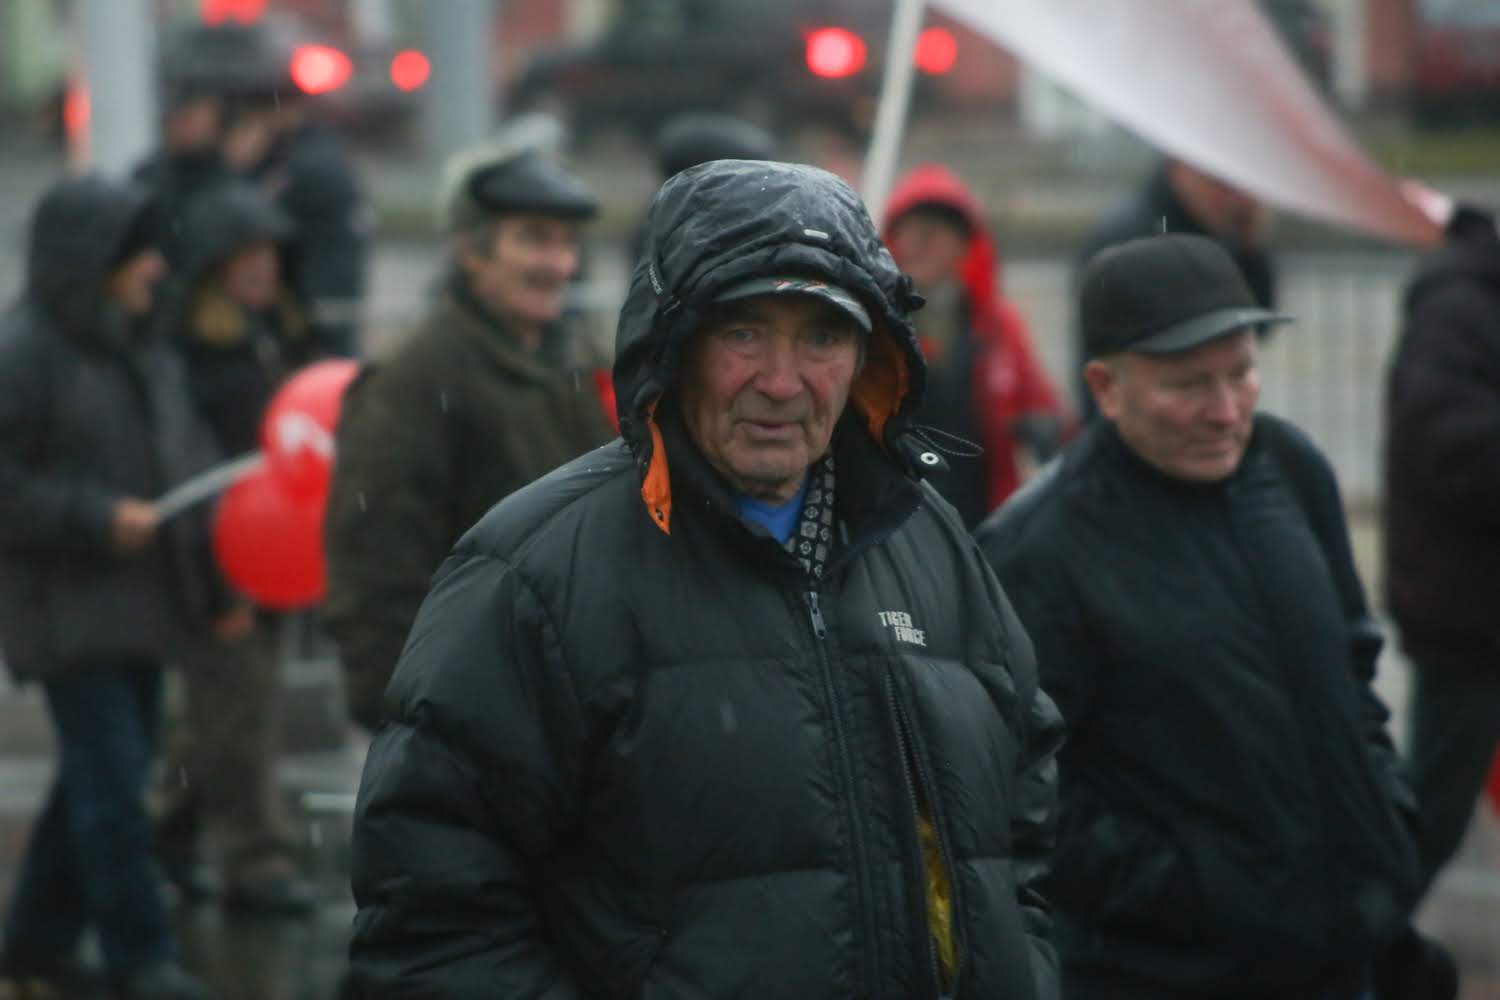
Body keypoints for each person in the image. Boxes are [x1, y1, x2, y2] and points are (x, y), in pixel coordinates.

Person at [345, 158, 1064, 997]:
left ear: (868, 358)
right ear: (674, 344)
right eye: (743, 333)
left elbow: (1022, 828)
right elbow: (432, 920)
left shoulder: (928, 540)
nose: (782, 382)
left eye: (823, 337)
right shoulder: (533, 573)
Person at [978, 234, 1426, 999]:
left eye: (1242, 373)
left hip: (1344, 950)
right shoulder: (1038, 549)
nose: (1225, 411)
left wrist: (1385, 815)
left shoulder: (1290, 468)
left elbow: (1352, 665)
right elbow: (1018, 791)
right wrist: (1202, 890)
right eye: (1188, 384)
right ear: (1106, 386)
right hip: (1168, 973)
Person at [0, 176, 230, 1000]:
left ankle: (32, 946)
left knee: (93, 784)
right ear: (92, 260)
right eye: (140, 253)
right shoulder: (25, 354)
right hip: (68, 613)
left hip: (138, 607)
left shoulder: (138, 345)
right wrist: (95, 518)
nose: (157, 268)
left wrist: (217, 584)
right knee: (113, 790)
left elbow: (184, 457)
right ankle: (142, 956)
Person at [324, 146, 613, 733]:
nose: (559, 263)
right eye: (534, 240)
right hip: (472, 703)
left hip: (567, 695)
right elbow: (377, 564)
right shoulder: (414, 378)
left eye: (565, 243)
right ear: (471, 252)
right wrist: (406, 712)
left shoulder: (574, 360)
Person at [152, 180, 322, 915]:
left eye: (270, 252)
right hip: (221, 562)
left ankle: (166, 832)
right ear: (214, 265)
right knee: (241, 713)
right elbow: (192, 471)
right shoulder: (193, 355)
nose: (263, 266)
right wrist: (220, 584)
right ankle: (257, 862)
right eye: (246, 254)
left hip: (281, 555)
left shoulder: (279, 336)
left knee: (223, 713)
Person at [1384, 203, 1500, 894]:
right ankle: (1366, 935)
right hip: (1469, 616)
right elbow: (1450, 447)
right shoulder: (1458, 310)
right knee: (1429, 813)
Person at [883, 162, 1069, 525]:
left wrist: (1042, 424)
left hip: (980, 516)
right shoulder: (874, 326)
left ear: (964, 246)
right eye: (912, 228)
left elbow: (1042, 405)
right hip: (898, 516)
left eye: (936, 230)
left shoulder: (998, 327)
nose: (921, 241)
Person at [1073, 157, 1275, 418]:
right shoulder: (1132, 236)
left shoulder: (1210, 227)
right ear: (1182, 169)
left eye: (1239, 374)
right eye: (1222, 184)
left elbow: (1255, 327)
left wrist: (1250, 248)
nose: (1236, 198)